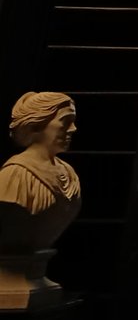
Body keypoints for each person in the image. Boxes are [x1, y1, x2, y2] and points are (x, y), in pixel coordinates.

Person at [0, 91, 81, 253]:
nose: (73, 129)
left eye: (73, 121)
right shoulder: (16, 174)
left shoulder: (69, 173)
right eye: (65, 121)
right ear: (37, 125)